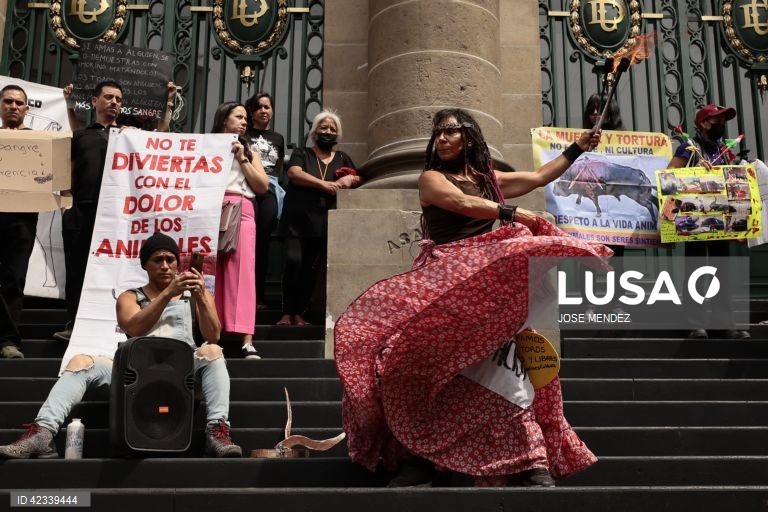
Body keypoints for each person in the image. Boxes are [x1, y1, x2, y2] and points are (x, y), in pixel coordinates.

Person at [335, 108, 608, 487]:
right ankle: (418, 458)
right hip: (442, 280)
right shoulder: (431, 178)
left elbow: (539, 176)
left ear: (469, 137)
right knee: (406, 361)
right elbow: (462, 204)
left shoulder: (487, 181)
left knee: (505, 369)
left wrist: (577, 148)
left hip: (483, 287)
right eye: (438, 134)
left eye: (451, 132)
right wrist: (510, 212)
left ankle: (531, 463)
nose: (442, 139)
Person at [0, 232, 242, 458]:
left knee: (213, 351)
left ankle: (217, 432)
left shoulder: (194, 294)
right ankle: (43, 432)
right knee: (80, 362)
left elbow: (213, 334)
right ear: (145, 265)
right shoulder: (130, 296)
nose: (165, 265)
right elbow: (134, 327)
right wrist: (168, 294)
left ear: (178, 263)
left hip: (182, 373)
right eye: (158, 260)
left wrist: (201, 297)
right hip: (135, 374)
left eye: (170, 259)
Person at [54, 81, 177, 342]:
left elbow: (162, 134)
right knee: (78, 270)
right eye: (108, 97)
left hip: (118, 214)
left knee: (116, 269)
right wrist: (67, 207)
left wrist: (167, 103)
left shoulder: (129, 135)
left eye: (118, 99)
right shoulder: (80, 136)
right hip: (83, 210)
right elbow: (67, 173)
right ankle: (75, 323)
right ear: (95, 102)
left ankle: (115, 323)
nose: (114, 102)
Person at [667, 104, 750, 340]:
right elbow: (669, 178)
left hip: (720, 219)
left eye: (723, 120)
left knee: (720, 269)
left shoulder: (723, 149)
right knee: (696, 269)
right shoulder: (688, 148)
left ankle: (724, 322)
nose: (721, 124)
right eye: (716, 120)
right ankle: (695, 322)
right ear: (703, 123)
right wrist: (695, 172)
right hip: (694, 220)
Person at [277, 110, 362, 326]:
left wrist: (349, 180)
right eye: (324, 128)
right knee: (293, 261)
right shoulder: (302, 153)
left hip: (323, 223)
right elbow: (294, 174)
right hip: (296, 220)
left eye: (332, 129)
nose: (328, 132)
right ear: (315, 131)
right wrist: (324, 184)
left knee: (310, 269)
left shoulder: (342, 158)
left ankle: (300, 313)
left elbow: (360, 176)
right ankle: (286, 312)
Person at [210, 102, 269, 358]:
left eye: (246, 118)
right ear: (224, 120)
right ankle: (213, 335)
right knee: (212, 274)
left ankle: (246, 339)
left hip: (241, 208)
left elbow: (262, 186)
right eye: (239, 117)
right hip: (212, 209)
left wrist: (242, 159)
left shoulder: (249, 150)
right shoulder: (206, 145)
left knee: (242, 272)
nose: (244, 122)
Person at [0, 84, 34, 359]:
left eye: (18, 103)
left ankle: (8, 341)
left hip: (21, 221)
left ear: (26, 108)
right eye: (8, 101)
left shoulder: (39, 142)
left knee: (13, 280)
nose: (13, 106)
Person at [244, 93, 286, 310]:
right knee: (246, 243)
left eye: (267, 107)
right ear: (251, 112)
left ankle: (258, 297)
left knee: (262, 245)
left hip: (269, 191)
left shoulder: (278, 138)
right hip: (246, 189)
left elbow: (278, 167)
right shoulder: (243, 133)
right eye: (259, 107)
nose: (263, 111)